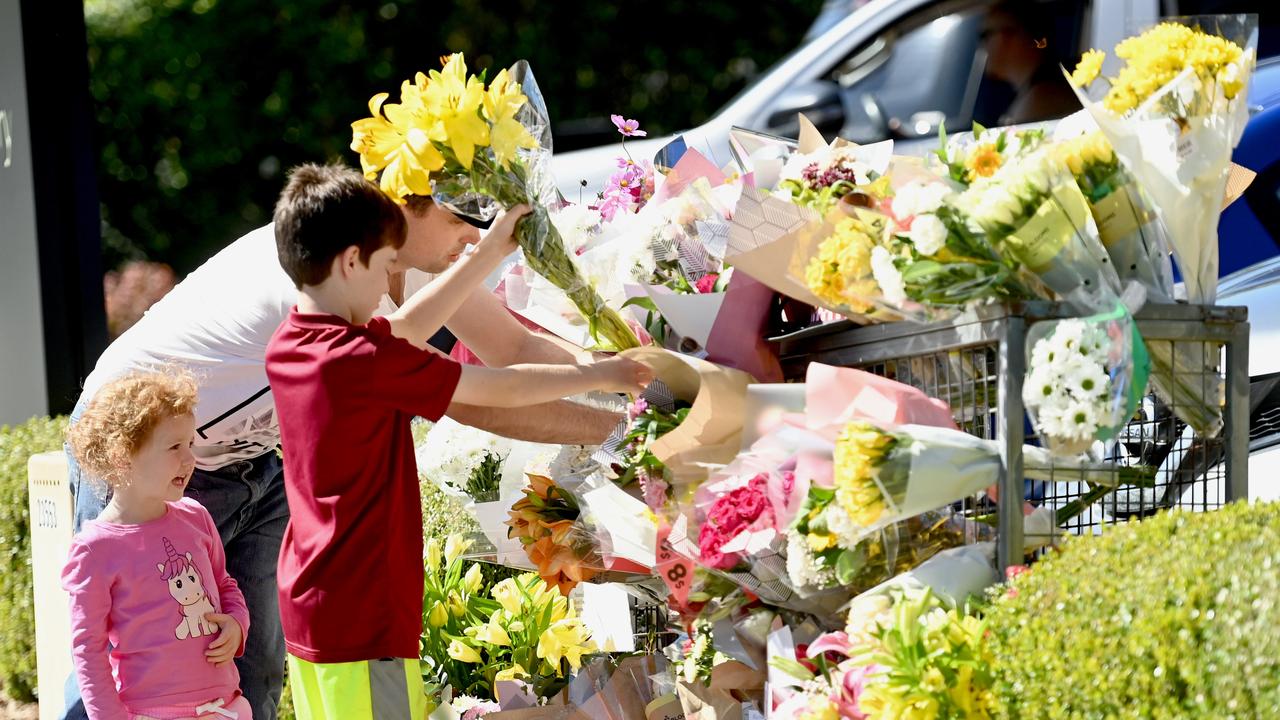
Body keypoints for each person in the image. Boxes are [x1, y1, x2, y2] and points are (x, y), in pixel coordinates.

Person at [64, 184, 624, 720]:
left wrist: (488, 263)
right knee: (132, 665)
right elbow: (482, 393)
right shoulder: (354, 346)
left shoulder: (310, 326)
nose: (470, 238)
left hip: (312, 588)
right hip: (160, 461)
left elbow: (427, 333)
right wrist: (616, 391)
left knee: (246, 675)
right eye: (458, 220)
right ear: (383, 232)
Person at [264, 164, 651, 719]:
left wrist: (490, 251)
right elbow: (496, 387)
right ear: (351, 261)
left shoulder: (298, 342)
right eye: (383, 266)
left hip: (313, 598)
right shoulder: (359, 360)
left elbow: (405, 331)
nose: (387, 284)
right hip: (363, 611)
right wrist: (599, 375)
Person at [63, 371, 253, 720]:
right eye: (174, 447)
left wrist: (236, 623)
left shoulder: (195, 517)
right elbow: (88, 650)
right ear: (123, 457)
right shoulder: (94, 549)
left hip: (225, 706)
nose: (189, 459)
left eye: (191, 445)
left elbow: (225, 585)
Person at [980, 0, 1080, 126]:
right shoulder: (1038, 93)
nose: (982, 46)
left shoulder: (1043, 99)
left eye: (984, 35)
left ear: (1006, 35)